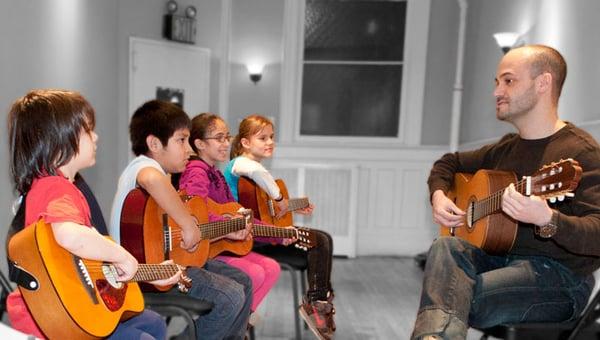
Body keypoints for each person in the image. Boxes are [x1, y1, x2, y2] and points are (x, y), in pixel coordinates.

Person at [411, 44, 600, 340]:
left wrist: (547, 219)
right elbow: (447, 163)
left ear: (543, 84)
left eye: (508, 81)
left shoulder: (580, 153)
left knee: (449, 294)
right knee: (445, 247)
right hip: (502, 261)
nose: (497, 91)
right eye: (497, 82)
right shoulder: (506, 149)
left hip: (559, 280)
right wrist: (439, 195)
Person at [6, 89, 179, 339]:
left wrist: (147, 270)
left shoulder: (48, 185)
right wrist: (122, 255)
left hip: (63, 308)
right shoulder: (56, 188)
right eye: (88, 130)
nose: (96, 137)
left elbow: (87, 263)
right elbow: (70, 236)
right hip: (55, 319)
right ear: (58, 140)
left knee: (152, 323)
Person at [109, 100, 252, 340]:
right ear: (154, 143)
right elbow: (152, 181)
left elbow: (187, 235)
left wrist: (225, 231)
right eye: (181, 140)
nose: (188, 149)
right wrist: (187, 224)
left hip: (173, 261)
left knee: (243, 282)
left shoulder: (165, 180)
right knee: (230, 295)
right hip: (148, 273)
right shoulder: (143, 168)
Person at [222, 114, 336, 340]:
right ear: (245, 143)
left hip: (262, 232)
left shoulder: (253, 174)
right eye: (262, 138)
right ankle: (316, 303)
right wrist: (279, 197)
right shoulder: (239, 165)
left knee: (324, 238)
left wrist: (292, 206)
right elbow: (257, 172)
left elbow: (265, 209)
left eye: (272, 137)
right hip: (250, 238)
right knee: (320, 241)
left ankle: (319, 299)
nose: (270, 142)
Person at [176, 113, 281, 314]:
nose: (226, 144)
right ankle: (232, 327)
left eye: (227, 137)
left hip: (221, 246)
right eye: (219, 138)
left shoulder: (214, 172)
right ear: (199, 144)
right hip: (207, 250)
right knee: (255, 274)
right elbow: (194, 213)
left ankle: (240, 326)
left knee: (271, 268)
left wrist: (275, 232)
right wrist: (228, 227)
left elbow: (237, 212)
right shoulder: (196, 171)